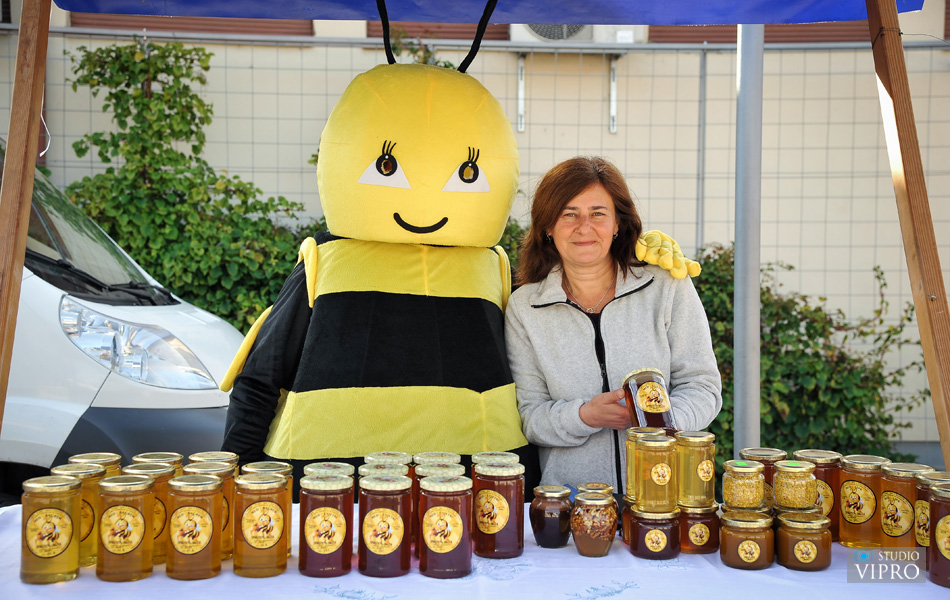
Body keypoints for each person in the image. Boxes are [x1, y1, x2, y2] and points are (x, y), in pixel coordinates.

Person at [504, 156, 722, 491]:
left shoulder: (666, 285)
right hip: (573, 502)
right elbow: (531, 417)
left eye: (598, 213)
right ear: (547, 226)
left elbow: (703, 387)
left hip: (662, 497)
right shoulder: (526, 305)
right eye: (568, 214)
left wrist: (659, 422)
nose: (584, 227)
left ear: (618, 223)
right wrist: (584, 416)